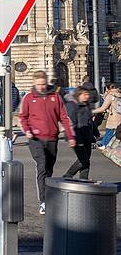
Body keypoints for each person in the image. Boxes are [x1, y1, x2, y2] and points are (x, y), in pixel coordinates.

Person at [19, 70, 76, 215]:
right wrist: (27, 130)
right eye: (38, 85)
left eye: (43, 84)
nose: (41, 87)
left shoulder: (55, 97)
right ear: (34, 83)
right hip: (35, 139)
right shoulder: (29, 97)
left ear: (46, 82)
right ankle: (43, 201)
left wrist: (70, 136)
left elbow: (64, 117)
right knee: (42, 166)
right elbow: (23, 117)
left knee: (49, 169)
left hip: (52, 137)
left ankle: (49, 197)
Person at [63, 87, 95, 179]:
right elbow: (70, 123)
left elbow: (90, 121)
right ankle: (68, 175)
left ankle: (84, 179)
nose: (87, 96)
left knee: (86, 160)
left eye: (87, 94)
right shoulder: (72, 105)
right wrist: (71, 137)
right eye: (84, 94)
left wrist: (95, 132)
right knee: (83, 160)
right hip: (77, 135)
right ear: (78, 95)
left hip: (87, 135)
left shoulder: (86, 105)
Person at [92, 83, 121, 149]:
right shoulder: (119, 94)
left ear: (108, 89)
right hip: (119, 120)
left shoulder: (111, 96)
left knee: (109, 132)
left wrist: (91, 111)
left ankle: (104, 145)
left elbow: (103, 108)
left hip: (113, 120)